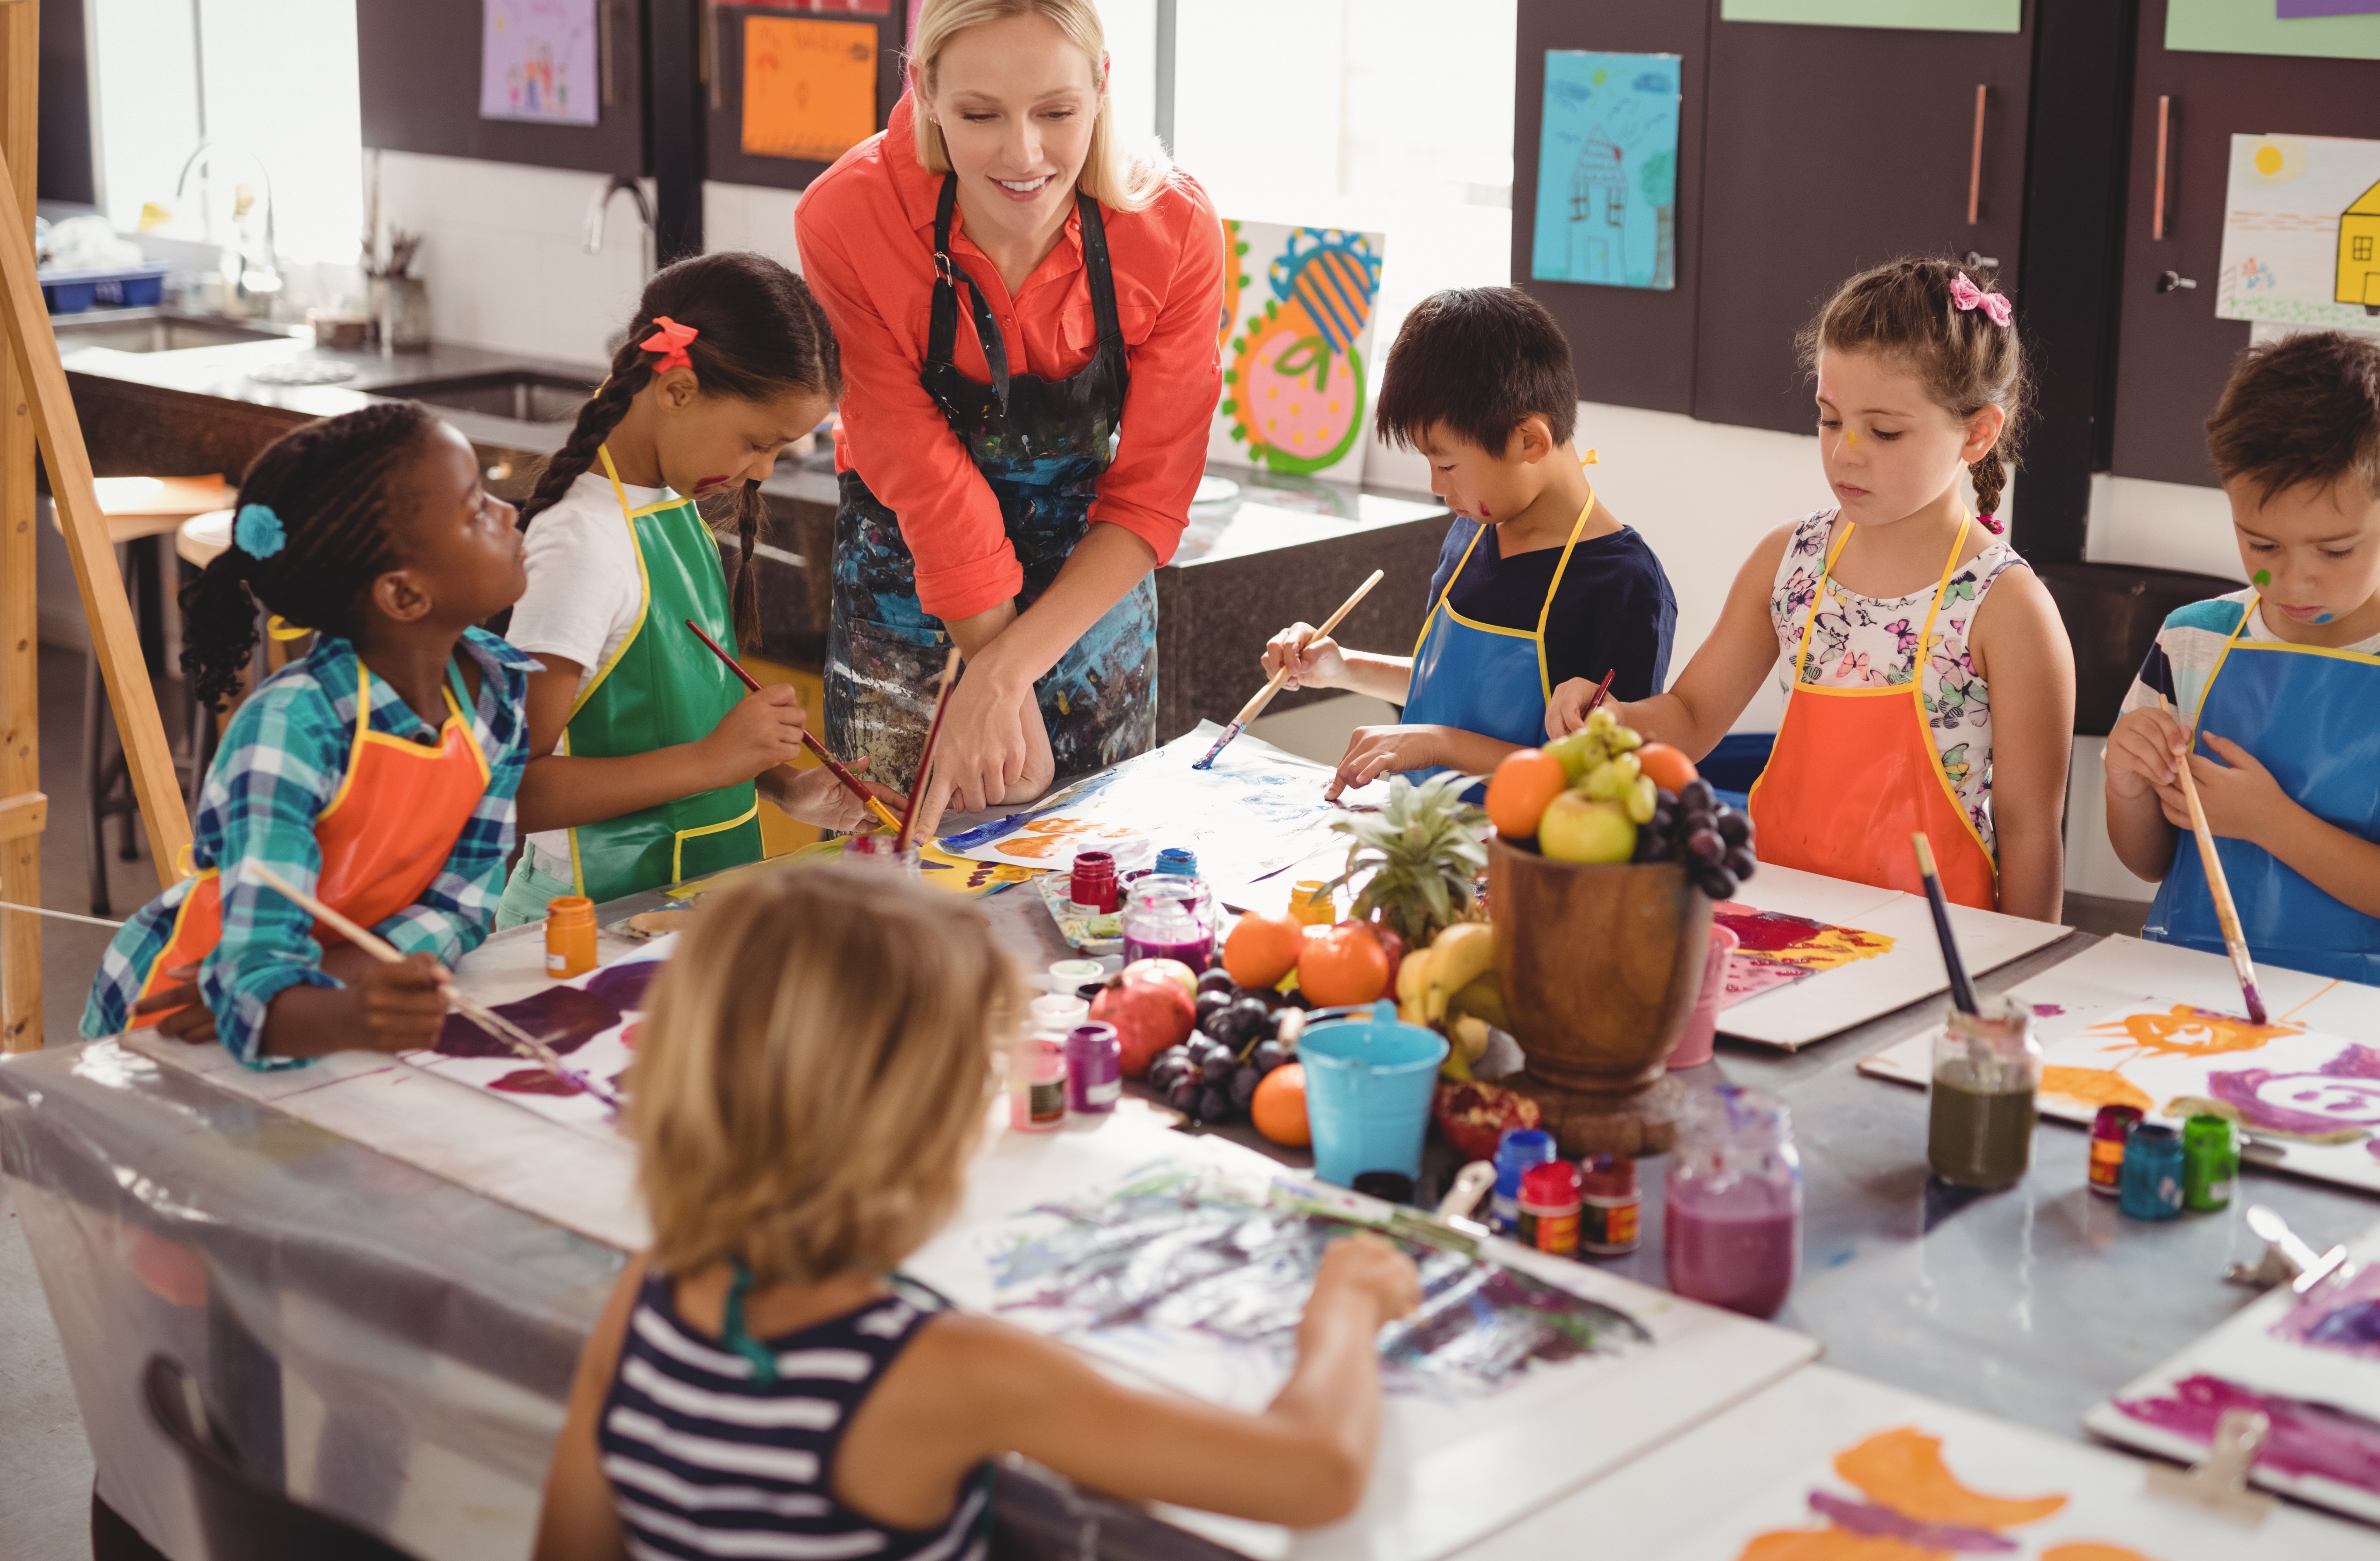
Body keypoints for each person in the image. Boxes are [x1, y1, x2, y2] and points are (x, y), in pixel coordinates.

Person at [530, 866, 1422, 1559]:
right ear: (922, 1128)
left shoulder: (651, 1294)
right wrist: (1342, 1302)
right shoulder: (942, 1369)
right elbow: (1316, 1473)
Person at [796, 0, 1225, 833]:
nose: (1023, 155)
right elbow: (915, 462)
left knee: (1086, 891)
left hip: (1087, 602)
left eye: (1058, 112)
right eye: (981, 113)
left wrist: (1007, 671)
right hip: (910, 587)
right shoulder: (849, 216)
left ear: (1103, 85)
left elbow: (1149, 498)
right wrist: (986, 661)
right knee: (902, 907)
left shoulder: (1175, 228)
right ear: (926, 91)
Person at [1547, 260, 2073, 920]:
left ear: (1977, 433)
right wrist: (1613, 717)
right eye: (1829, 420)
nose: (1845, 452)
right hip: (1781, 931)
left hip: (1937, 960)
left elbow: (2030, 835)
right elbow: (1689, 719)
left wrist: (2009, 992)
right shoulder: (1789, 560)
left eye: (1883, 431)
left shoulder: (2009, 609)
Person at [83, 402, 534, 1066]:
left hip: (315, 1017)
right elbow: (247, 980)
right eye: (476, 511)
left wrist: (334, 994)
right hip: (174, 1024)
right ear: (404, 596)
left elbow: (462, 904)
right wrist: (332, 1006)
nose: (509, 512)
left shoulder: (497, 696)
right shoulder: (292, 729)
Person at [496, 253, 898, 926]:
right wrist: (712, 762)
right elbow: (510, 791)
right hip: (581, 931)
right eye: (757, 442)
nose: (763, 470)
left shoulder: (671, 510)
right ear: (678, 389)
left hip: (683, 912)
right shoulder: (581, 545)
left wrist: (784, 787)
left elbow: (676, 726)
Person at [2106, 332, 2380, 993]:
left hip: (2362, 1021)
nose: (2294, 583)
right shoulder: (2191, 640)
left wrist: (2271, 824)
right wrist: (2127, 784)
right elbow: (2150, 864)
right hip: (2184, 999)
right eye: (2261, 543)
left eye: (2336, 550)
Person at [1260, 287, 1675, 795]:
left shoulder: (1625, 585)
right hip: (1423, 834)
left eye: (1448, 465)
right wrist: (1344, 667)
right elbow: (1450, 689)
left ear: (1530, 442)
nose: (1437, 487)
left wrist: (1439, 745)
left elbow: (1605, 779)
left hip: (1527, 858)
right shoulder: (1473, 528)